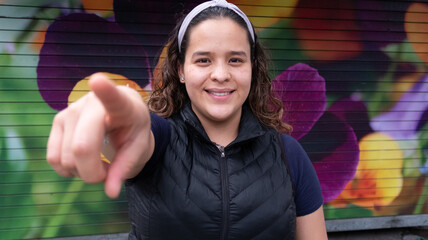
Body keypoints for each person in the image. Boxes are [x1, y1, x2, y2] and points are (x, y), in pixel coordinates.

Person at [46, 0, 328, 239]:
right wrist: (123, 118)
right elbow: (137, 136)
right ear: (180, 70)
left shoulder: (288, 154)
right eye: (203, 60)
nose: (220, 74)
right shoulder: (161, 142)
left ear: (253, 68)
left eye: (235, 60)